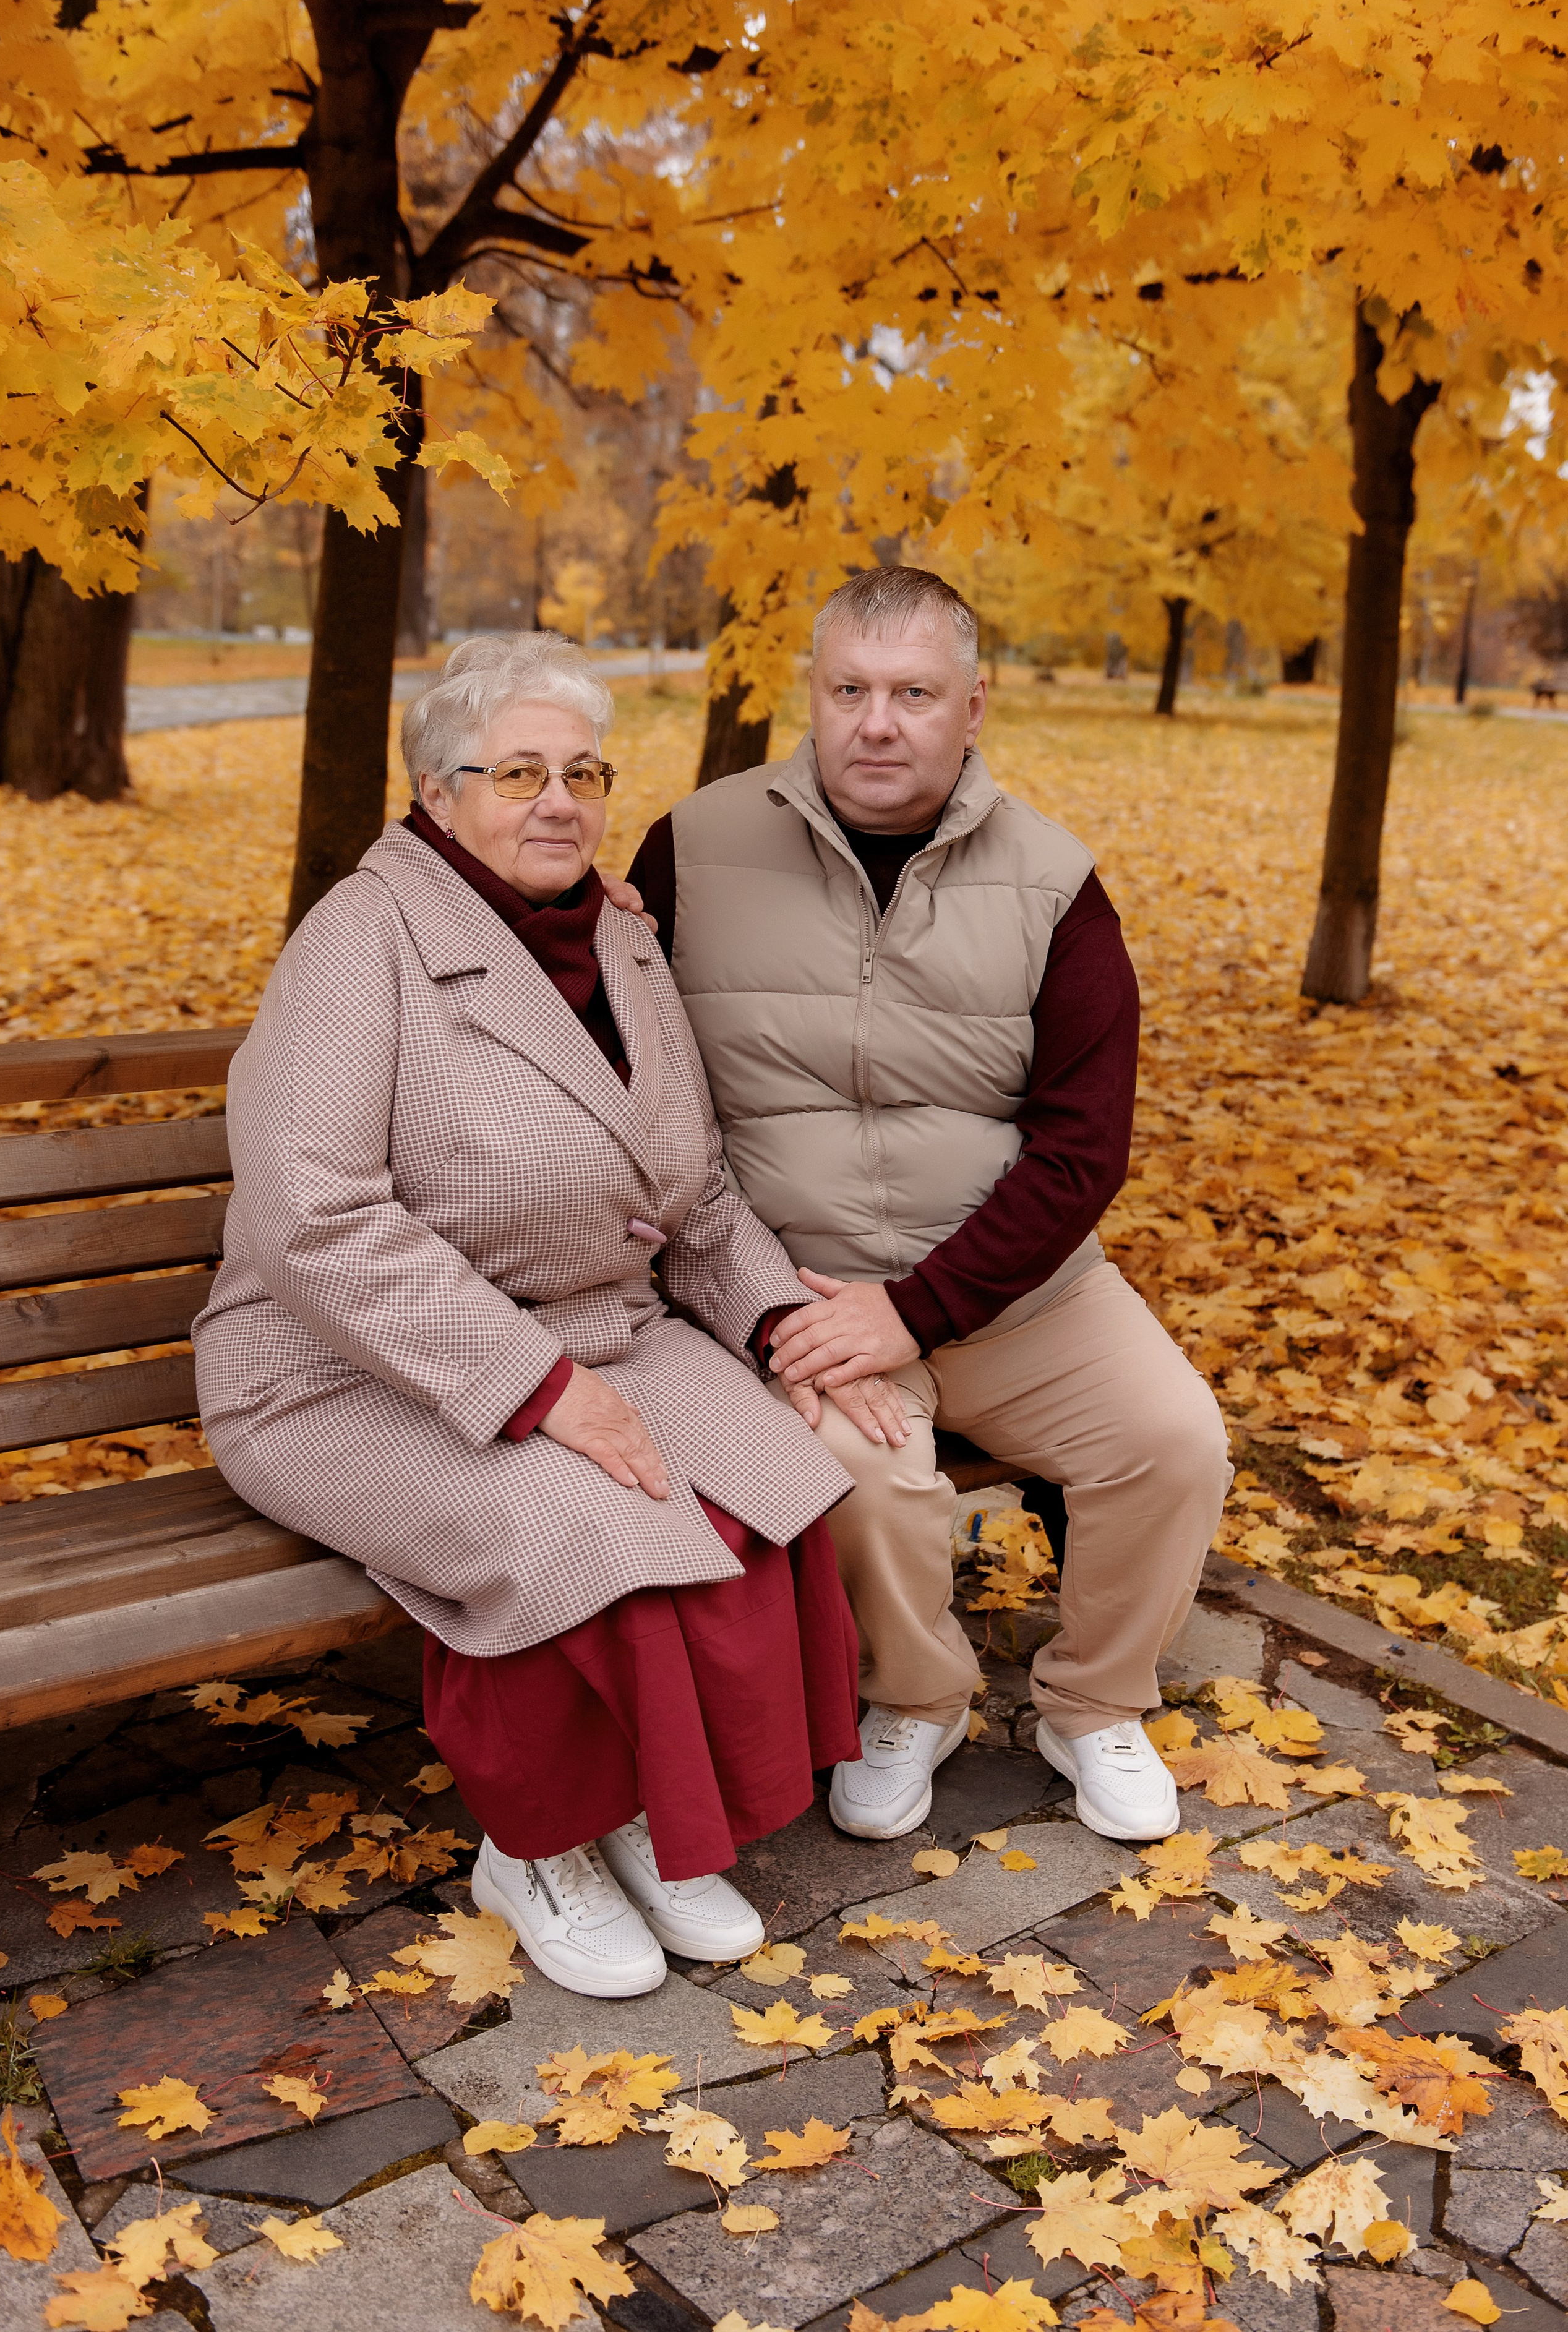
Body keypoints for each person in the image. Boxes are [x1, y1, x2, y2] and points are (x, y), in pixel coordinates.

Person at [192, 633, 864, 2000]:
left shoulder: (615, 934)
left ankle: (657, 1818)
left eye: (581, 770)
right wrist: (545, 1393)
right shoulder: (357, 939)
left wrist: (777, 1326)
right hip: (339, 1367)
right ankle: (538, 1842)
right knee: (584, 1527)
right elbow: (316, 1215)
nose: (557, 800)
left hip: (593, 1324)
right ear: (439, 794)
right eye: (516, 771)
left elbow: (694, 1185)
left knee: (764, 1484)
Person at [624, 567, 1232, 1846]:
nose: (876, 723)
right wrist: (770, 1304)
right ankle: (916, 1699)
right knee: (859, 1469)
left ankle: (1093, 1704)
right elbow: (624, 1078)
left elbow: (1082, 1148)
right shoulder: (694, 848)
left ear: (973, 706)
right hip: (798, 1289)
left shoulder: (1055, 881)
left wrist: (925, 1307)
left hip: (1018, 1291)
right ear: (812, 693)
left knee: (1173, 1438)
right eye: (848, 689)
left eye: (912, 693)